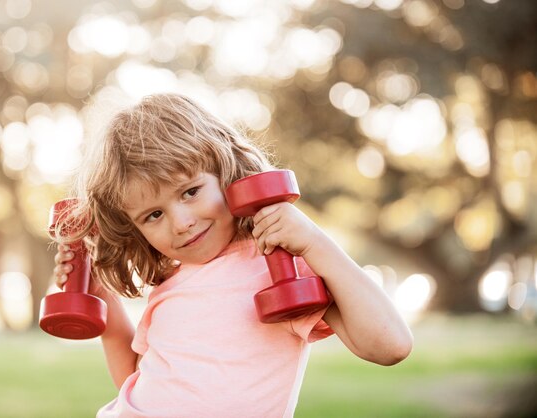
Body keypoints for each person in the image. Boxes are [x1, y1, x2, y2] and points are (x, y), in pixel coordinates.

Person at [52, 93, 413, 417]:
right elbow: (137, 381)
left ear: (225, 172)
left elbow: (390, 345)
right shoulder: (170, 287)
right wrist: (106, 305)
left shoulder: (277, 265)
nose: (181, 223)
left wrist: (315, 243)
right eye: (154, 215)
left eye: (191, 192)